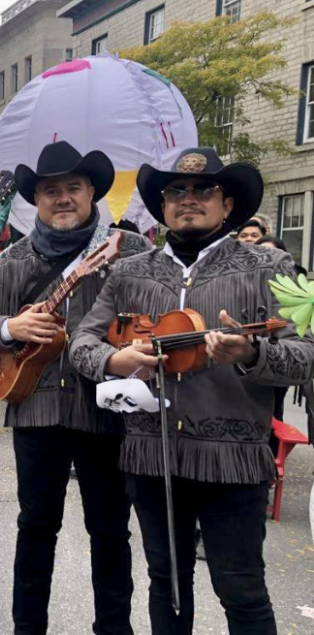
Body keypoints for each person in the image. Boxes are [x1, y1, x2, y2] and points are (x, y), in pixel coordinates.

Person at [70, 147, 314, 634]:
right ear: (162, 206)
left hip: (233, 456)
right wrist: (114, 361)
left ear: (228, 204)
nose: (189, 199)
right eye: (176, 191)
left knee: (241, 587)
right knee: (167, 583)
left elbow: (305, 356)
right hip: (151, 453)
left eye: (204, 190)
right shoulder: (129, 272)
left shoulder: (271, 268)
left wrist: (251, 355)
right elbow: (81, 343)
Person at [0, 141, 150, 635]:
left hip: (105, 408)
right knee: (36, 528)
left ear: (92, 192)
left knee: (110, 530)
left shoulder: (130, 251)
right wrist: (12, 329)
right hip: (36, 410)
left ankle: (114, 627)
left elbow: (160, 310)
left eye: (72, 188)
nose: (62, 198)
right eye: (51, 191)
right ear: (37, 200)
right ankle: (29, 628)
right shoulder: (14, 260)